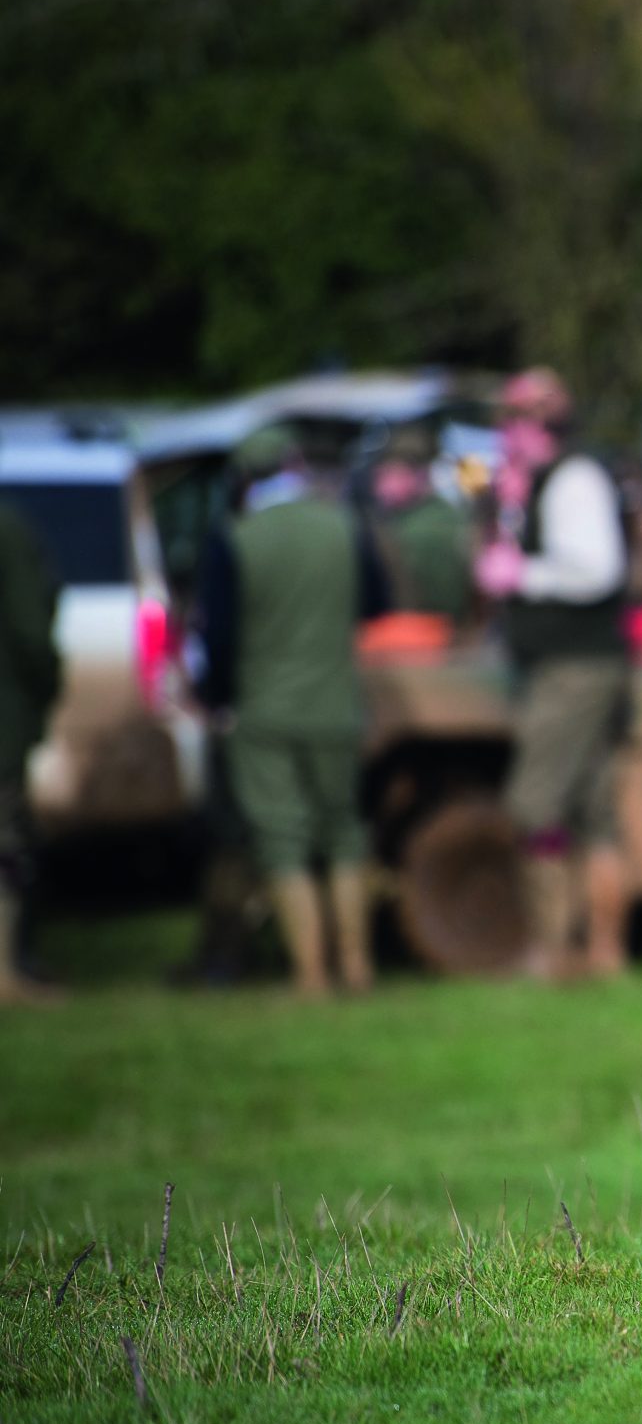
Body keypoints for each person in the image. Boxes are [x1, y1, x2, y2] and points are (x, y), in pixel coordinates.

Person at [196, 425, 389, 997]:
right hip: (337, 706)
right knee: (344, 834)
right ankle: (358, 967)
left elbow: (220, 638)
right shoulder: (344, 525)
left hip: (265, 712)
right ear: (295, 466)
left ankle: (311, 975)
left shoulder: (234, 537)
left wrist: (218, 701)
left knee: (283, 839)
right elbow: (376, 604)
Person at [473, 368, 632, 980]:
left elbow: (597, 570)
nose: (502, 434)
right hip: (572, 665)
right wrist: (513, 502)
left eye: (511, 421)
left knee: (534, 805)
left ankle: (552, 951)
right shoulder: (543, 484)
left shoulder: (575, 481)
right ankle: (603, 955)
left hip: (575, 668)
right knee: (593, 812)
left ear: (536, 425)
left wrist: (522, 575)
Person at [0, 494, 66, 1006]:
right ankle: (4, 975)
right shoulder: (8, 529)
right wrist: (44, 689)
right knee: (5, 847)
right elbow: (29, 630)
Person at [369, 423, 475, 628]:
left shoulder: (430, 523)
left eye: (397, 470)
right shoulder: (445, 514)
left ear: (420, 473)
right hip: (438, 631)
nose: (387, 480)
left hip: (426, 630)